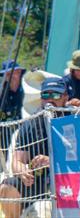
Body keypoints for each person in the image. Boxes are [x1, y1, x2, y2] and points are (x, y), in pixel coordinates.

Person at [0, 78, 68, 218]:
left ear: (66, 97)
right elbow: (17, 161)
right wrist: (22, 170)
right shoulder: (30, 124)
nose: (50, 99)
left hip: (69, 179)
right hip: (38, 183)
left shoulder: (74, 118)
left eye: (55, 95)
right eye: (45, 95)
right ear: (41, 98)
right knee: (6, 188)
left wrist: (51, 161)